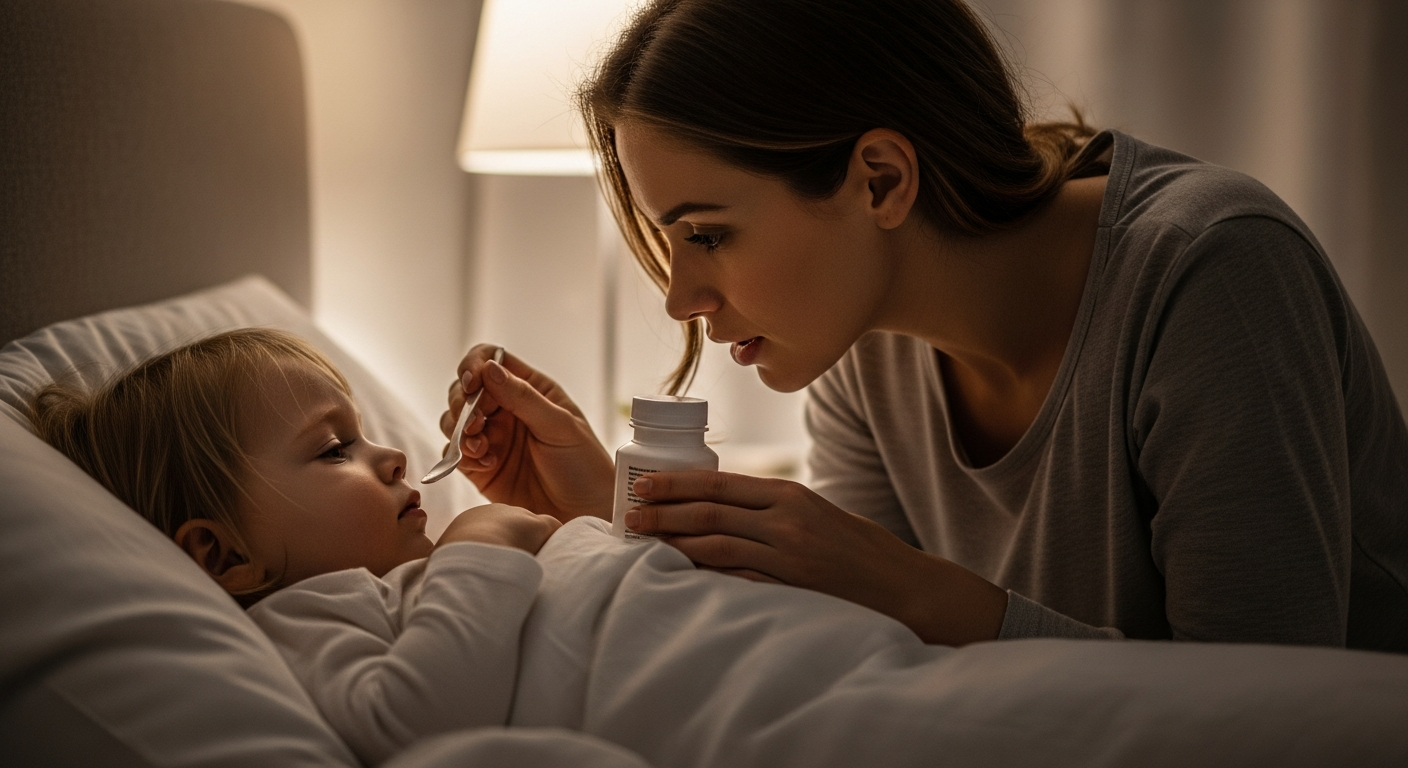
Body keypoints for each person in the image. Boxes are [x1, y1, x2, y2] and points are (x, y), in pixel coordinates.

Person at [443, 0, 1408, 652]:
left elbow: (1263, 712)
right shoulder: (863, 350)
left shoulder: (1211, 271)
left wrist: (914, 589)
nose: (680, 297)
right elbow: (862, 661)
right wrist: (607, 517)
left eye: (709, 234)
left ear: (881, 179)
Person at [29, 329, 562, 763]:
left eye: (362, 434)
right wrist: (482, 547)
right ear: (225, 555)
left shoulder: (391, 577)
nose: (396, 455)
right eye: (334, 450)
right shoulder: (309, 613)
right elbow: (406, 727)